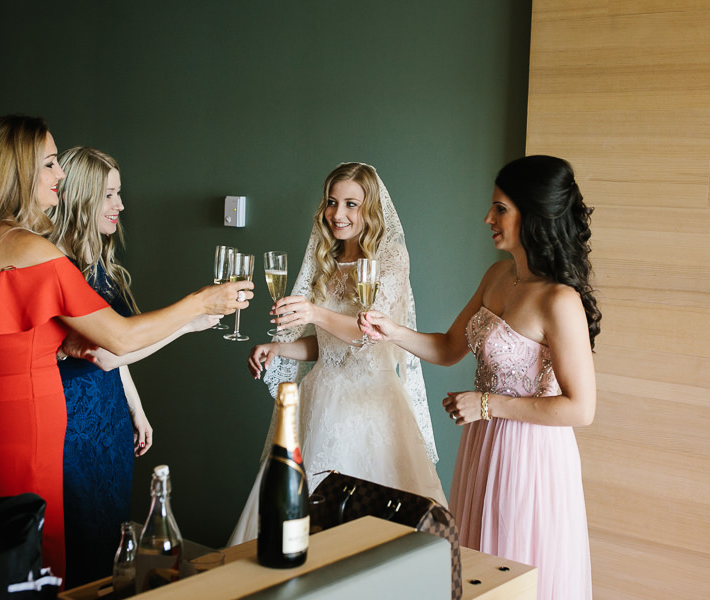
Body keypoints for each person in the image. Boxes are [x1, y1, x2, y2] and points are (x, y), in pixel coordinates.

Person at [0, 115, 253, 584]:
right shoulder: (33, 249)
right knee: (36, 578)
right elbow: (121, 338)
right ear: (18, 172)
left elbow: (22, 339)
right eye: (51, 164)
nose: (59, 175)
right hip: (25, 447)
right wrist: (201, 301)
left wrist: (65, 342)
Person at [360, 155, 600, 600]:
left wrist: (487, 405)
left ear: (533, 214)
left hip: (531, 458)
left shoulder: (559, 300)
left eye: (501, 208)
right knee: (476, 571)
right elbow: (449, 348)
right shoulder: (498, 276)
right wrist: (390, 331)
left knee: (514, 571)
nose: (487, 217)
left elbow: (581, 408)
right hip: (483, 448)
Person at [228, 162, 446, 545]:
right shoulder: (325, 259)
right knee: (300, 524)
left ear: (372, 209)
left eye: (351, 204)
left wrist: (312, 312)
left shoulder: (391, 259)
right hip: (321, 400)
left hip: (372, 407)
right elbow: (327, 343)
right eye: (332, 202)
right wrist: (280, 348)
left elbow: (367, 333)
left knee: (376, 532)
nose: (337, 214)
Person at [46, 146, 217, 587]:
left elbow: (118, 356)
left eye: (119, 194)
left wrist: (135, 410)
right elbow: (105, 353)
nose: (120, 205)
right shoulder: (56, 266)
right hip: (72, 424)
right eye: (109, 195)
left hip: (110, 419)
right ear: (82, 198)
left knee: (110, 534)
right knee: (79, 536)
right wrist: (187, 325)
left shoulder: (102, 267)